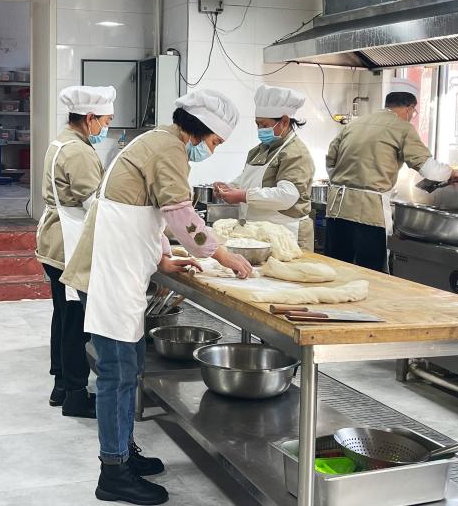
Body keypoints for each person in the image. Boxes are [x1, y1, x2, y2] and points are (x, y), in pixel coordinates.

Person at [61, 89, 253, 505]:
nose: (213, 149)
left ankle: (123, 453)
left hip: (121, 270)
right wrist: (222, 254)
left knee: (128, 367)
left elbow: (146, 213)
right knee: (117, 374)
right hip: (111, 275)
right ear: (201, 130)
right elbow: (180, 214)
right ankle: (113, 473)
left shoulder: (158, 141)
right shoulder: (169, 148)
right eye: (215, 141)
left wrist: (162, 258)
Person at [35, 85, 115, 419]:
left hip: (54, 240)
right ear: (90, 117)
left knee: (64, 317)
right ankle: (76, 396)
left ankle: (62, 386)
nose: (107, 127)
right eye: (106, 121)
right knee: (75, 324)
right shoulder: (79, 152)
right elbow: (95, 204)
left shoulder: (61, 142)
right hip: (68, 244)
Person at [324, 79, 458, 272]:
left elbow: (331, 161)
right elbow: (430, 170)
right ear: (409, 108)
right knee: (371, 275)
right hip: (368, 212)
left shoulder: (355, 123)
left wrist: (347, 181)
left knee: (335, 271)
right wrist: (450, 172)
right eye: (414, 112)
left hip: (336, 208)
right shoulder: (402, 128)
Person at [213, 85, 316, 251]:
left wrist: (243, 195)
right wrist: (229, 188)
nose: (260, 130)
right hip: (259, 235)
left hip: (287, 236)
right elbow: (247, 179)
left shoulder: (295, 153)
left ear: (284, 121)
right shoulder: (259, 150)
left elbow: (287, 196)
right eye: (257, 124)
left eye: (264, 124)